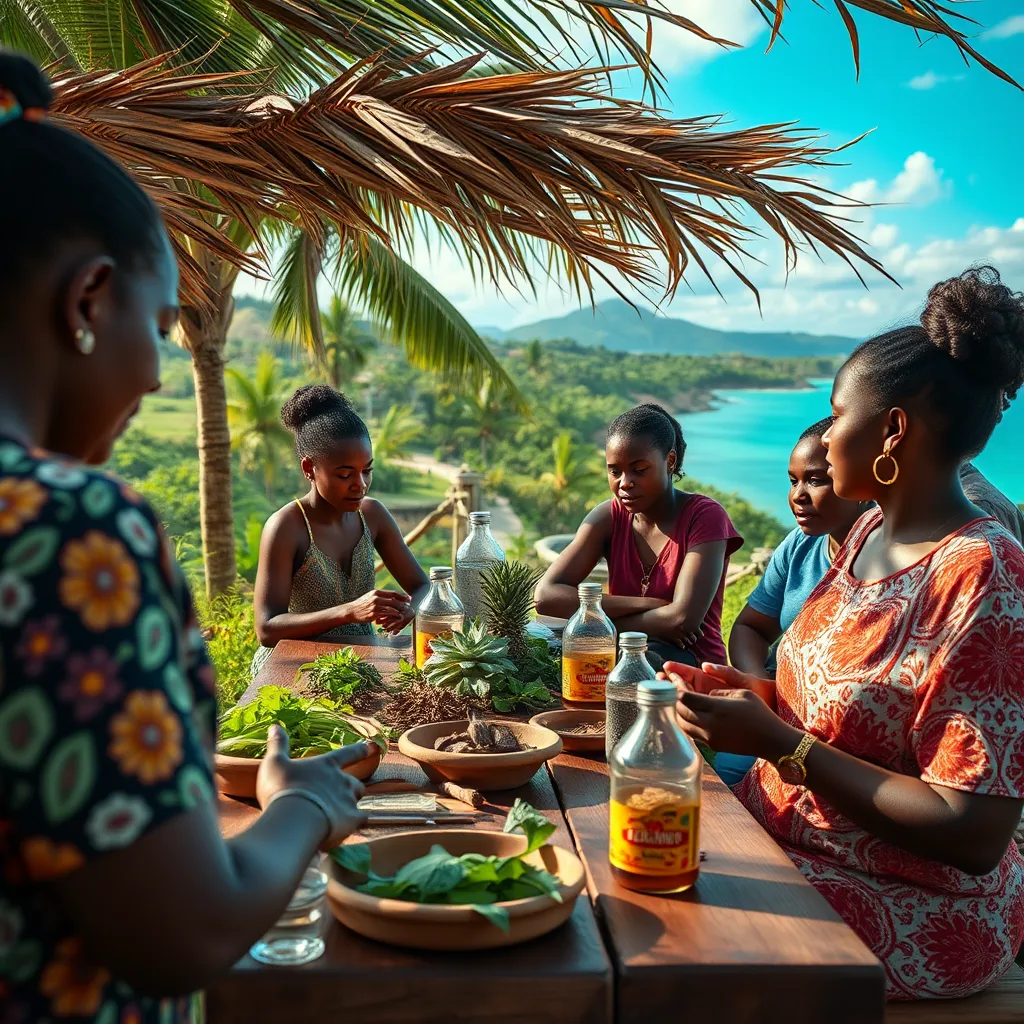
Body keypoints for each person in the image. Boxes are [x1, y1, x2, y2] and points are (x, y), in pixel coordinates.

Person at [0, 51, 369, 1024]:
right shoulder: (66, 528)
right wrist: (304, 807)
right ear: (88, 300)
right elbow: (180, 932)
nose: (161, 378)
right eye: (159, 327)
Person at [666, 266, 1024, 1001]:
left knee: (654, 958)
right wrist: (754, 695)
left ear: (892, 430)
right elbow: (850, 715)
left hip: (906, 906)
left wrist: (777, 743)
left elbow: (971, 830)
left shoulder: (984, 575)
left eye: (837, 416)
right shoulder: (862, 533)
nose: (826, 440)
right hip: (785, 842)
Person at [535, 403, 742, 669]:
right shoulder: (608, 517)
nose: (624, 482)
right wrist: (650, 605)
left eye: (639, 469)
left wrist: (599, 628)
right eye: (614, 471)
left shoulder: (705, 517)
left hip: (690, 664)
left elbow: (681, 620)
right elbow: (546, 596)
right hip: (621, 657)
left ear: (670, 461)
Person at [717, 417, 866, 786]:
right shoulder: (801, 544)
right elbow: (751, 626)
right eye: (793, 480)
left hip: (834, 729)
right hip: (776, 705)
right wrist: (758, 688)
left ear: (859, 481)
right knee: (723, 783)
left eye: (816, 480)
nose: (798, 494)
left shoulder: (887, 563)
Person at [251, 384, 429, 677]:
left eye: (367, 470)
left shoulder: (373, 516)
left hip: (357, 662)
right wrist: (350, 611)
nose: (360, 484)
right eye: (345, 474)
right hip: (293, 665)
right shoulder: (287, 527)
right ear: (309, 468)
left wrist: (412, 609)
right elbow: (267, 629)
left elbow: (422, 586)